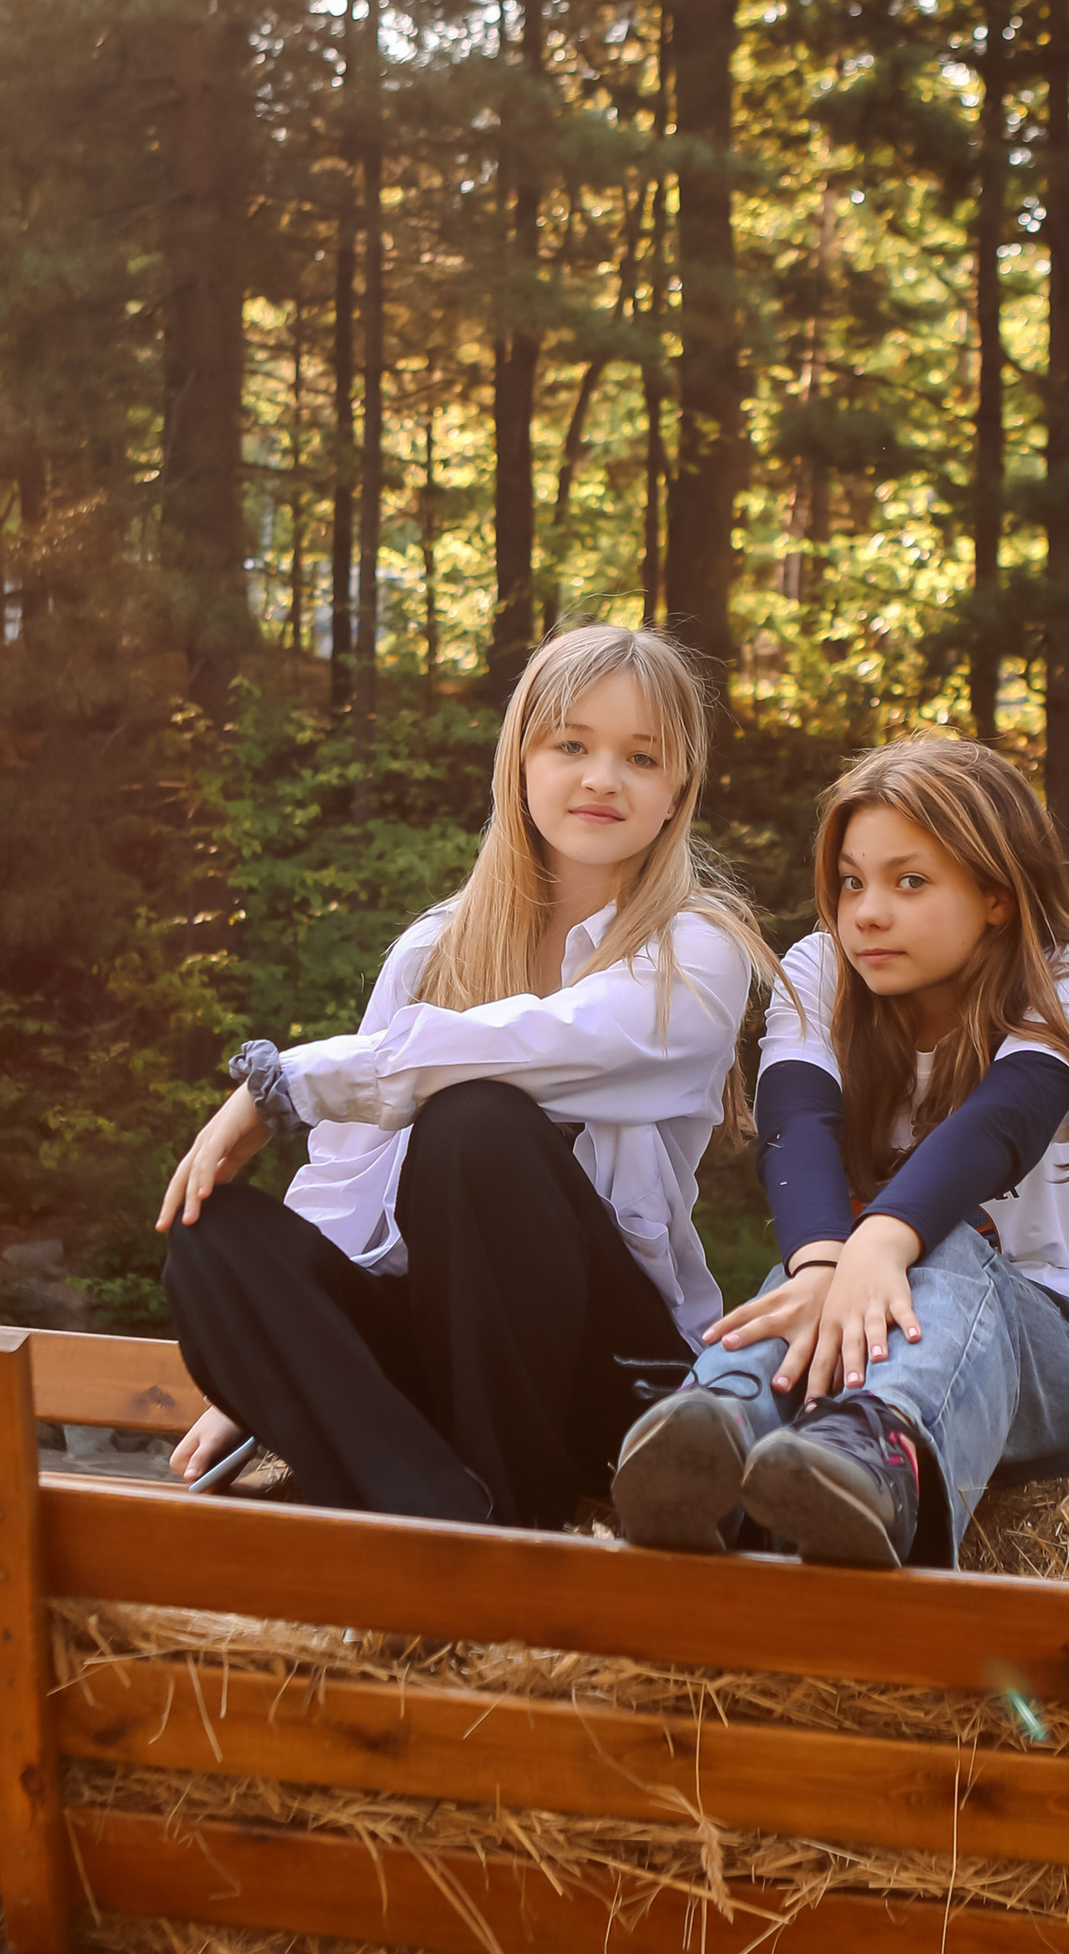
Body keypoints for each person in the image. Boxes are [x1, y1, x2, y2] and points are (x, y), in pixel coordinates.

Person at [155, 625, 772, 1529]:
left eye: (640, 757)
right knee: (207, 1235)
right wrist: (265, 1371)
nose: (602, 777)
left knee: (477, 1122)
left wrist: (288, 1082)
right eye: (571, 745)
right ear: (519, 760)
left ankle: (506, 1512)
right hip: (437, 1360)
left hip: (605, 1376)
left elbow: (552, 1041)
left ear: (678, 787)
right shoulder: (431, 952)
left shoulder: (698, 952)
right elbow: (343, 1184)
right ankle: (436, 1512)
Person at [611, 735, 1069, 1570]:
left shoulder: (1068, 976)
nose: (866, 912)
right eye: (852, 881)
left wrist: (878, 1241)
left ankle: (876, 1461)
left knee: (947, 1242)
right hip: (847, 1320)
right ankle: (714, 1426)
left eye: (910, 882)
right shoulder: (822, 968)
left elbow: (1003, 1122)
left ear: (997, 896)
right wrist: (824, 1265)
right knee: (798, 1283)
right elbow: (798, 1127)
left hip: (1044, 1355)